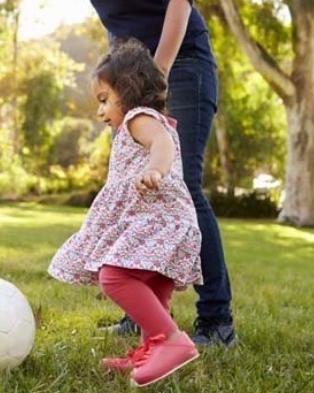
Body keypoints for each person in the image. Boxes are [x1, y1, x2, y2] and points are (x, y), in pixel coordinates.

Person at [48, 0, 236, 346]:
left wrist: (156, 76)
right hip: (131, 82)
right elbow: (119, 25)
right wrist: (118, 85)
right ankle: (144, 314)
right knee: (134, 191)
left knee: (181, 183)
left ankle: (216, 322)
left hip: (182, 64)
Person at [48, 38, 201, 387]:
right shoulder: (141, 121)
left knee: (113, 276)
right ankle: (153, 348)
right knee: (156, 287)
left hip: (158, 219)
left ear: (128, 90)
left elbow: (161, 146)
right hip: (168, 220)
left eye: (104, 100)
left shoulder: (139, 117)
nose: (101, 112)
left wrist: (156, 171)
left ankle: (174, 342)